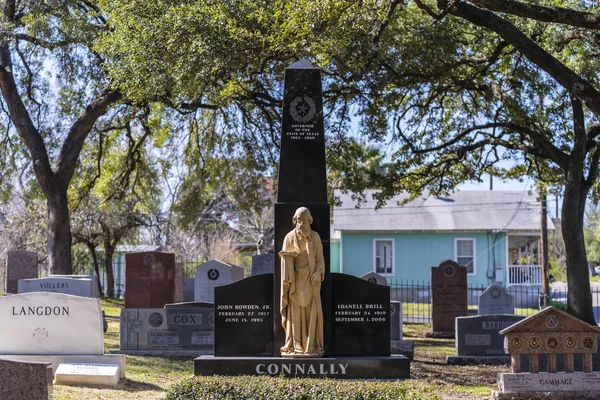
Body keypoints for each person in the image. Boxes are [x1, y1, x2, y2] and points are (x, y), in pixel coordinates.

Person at [279, 207, 324, 357]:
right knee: (296, 313)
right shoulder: (289, 237)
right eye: (299, 220)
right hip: (294, 283)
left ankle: (311, 345)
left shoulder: (315, 237)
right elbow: (284, 259)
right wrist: (287, 258)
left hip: (311, 282)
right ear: (295, 221)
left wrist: (318, 273)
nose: (302, 223)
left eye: (305, 220)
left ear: (310, 221)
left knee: (311, 314)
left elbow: (320, 260)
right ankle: (296, 344)